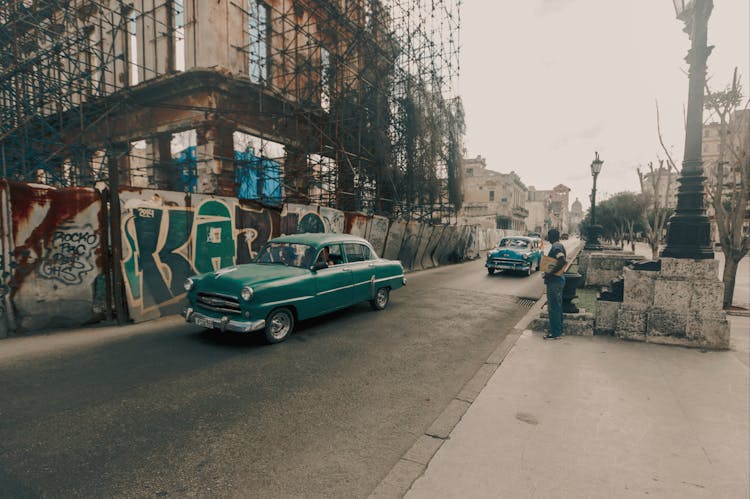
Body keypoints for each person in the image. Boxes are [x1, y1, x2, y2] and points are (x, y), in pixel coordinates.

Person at [542, 228, 567, 340]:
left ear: (552, 236)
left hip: (554, 282)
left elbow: (561, 260)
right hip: (558, 281)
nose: (548, 237)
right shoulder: (558, 245)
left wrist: (549, 274)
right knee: (557, 306)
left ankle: (555, 333)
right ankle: (558, 330)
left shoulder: (556, 246)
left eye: (549, 235)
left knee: (553, 308)